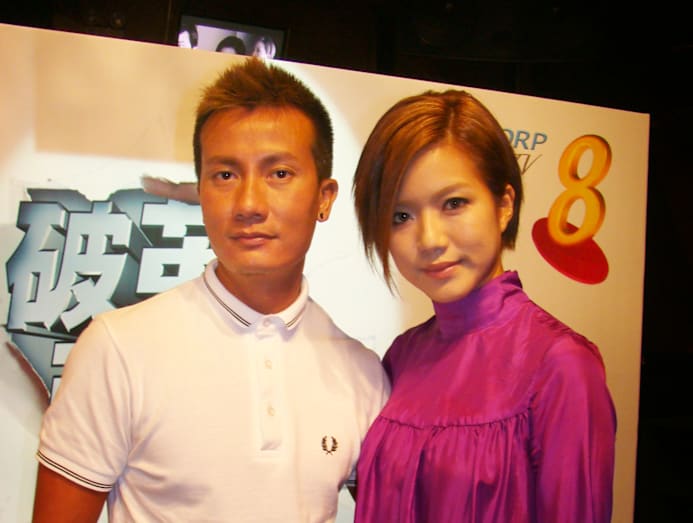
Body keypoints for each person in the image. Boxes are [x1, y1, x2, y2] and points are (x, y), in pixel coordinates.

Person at [32, 57, 390, 522]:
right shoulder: (117, 347)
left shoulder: (362, 373)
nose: (249, 204)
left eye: (279, 174)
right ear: (200, 191)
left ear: (324, 198)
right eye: (225, 175)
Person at [351, 89, 616, 522]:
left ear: (504, 205)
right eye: (401, 216)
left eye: (453, 204)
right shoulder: (403, 355)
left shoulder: (562, 366)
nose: (430, 240)